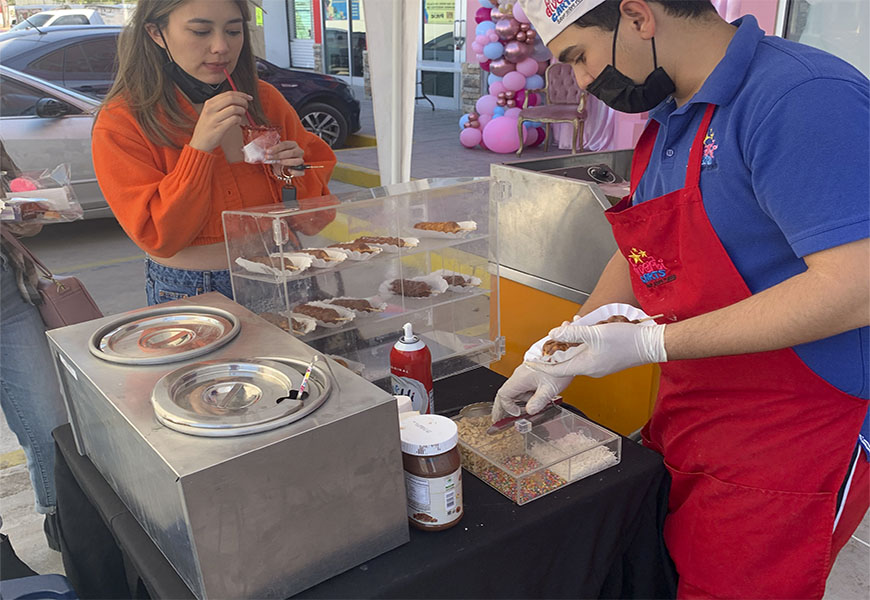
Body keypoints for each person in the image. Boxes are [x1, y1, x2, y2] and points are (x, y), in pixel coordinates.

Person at [500, 1, 869, 597]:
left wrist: (651, 340)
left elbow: (856, 288)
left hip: (794, 435)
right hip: (696, 410)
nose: (587, 83)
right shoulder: (673, 117)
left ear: (639, 17)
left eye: (581, 58)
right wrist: (561, 346)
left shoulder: (801, 97)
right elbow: (643, 248)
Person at [92, 0, 337, 306]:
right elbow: (159, 236)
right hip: (195, 287)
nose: (222, 47)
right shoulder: (124, 119)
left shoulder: (264, 100)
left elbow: (314, 221)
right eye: (200, 31)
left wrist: (294, 173)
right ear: (156, 33)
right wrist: (200, 148)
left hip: (285, 267)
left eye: (234, 31)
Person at [0, 147, 67, 553]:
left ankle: (65, 524)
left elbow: (13, 190)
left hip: (10, 295)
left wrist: (25, 215)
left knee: (50, 423)